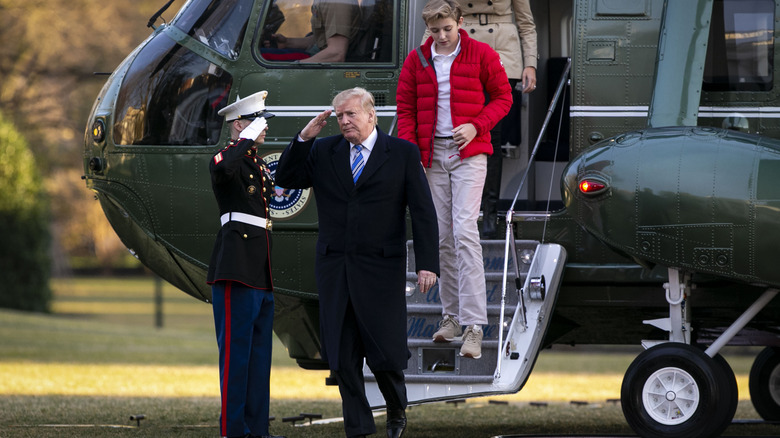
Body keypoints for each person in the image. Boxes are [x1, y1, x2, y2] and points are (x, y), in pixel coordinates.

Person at [275, 87, 439, 438]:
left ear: (370, 115)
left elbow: (424, 212)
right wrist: (304, 137)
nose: (344, 121)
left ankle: (396, 409)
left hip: (381, 268)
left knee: (386, 353)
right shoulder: (323, 150)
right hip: (335, 268)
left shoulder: (402, 153)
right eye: (339, 116)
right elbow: (285, 178)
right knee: (342, 356)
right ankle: (359, 428)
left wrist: (428, 263)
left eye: (350, 114)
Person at [396, 0, 512, 359]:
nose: (442, 36)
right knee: (441, 236)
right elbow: (406, 110)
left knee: (464, 231)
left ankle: (475, 326)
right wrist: (411, 154)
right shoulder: (417, 60)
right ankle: (451, 318)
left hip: (470, 154)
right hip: (432, 158)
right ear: (427, 30)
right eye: (435, 31)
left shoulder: (481, 54)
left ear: (460, 23)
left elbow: (503, 98)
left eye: (447, 29)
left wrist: (476, 125)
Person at [206, 90, 284, 438]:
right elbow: (223, 168)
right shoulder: (228, 157)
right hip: (236, 265)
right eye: (257, 121)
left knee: (258, 357)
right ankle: (233, 431)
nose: (263, 127)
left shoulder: (256, 163)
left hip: (259, 268)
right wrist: (245, 138)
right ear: (239, 124)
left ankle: (257, 430)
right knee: (236, 356)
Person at [461, 0, 538, 238]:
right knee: (462, 135)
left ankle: (490, 212)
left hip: (503, 55)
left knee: (491, 138)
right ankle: (468, 209)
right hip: (464, 49)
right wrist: (425, 58)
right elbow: (432, 19)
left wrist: (530, 64)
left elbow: (526, 23)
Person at [268, 0, 361, 63]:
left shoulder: (336, 3)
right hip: (317, 54)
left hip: (321, 61)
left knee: (264, 56)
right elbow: (321, 39)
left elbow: (336, 54)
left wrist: (295, 67)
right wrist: (287, 43)